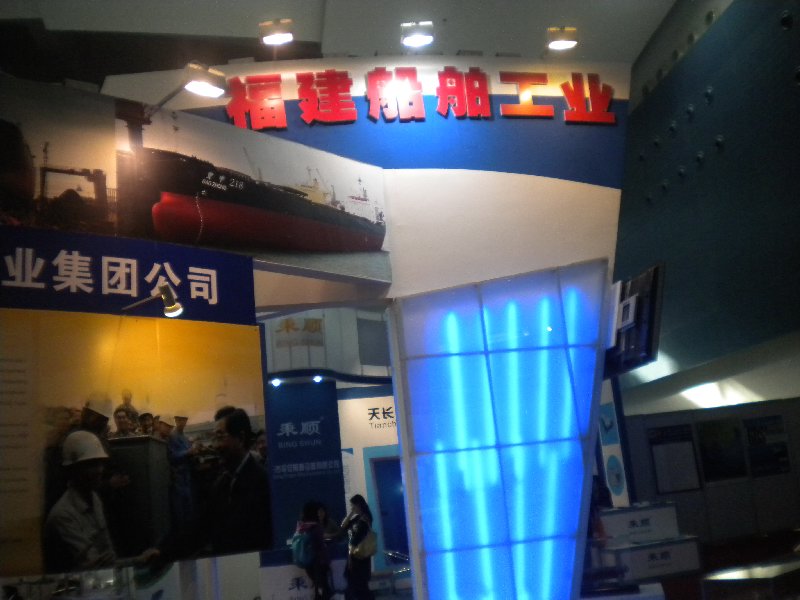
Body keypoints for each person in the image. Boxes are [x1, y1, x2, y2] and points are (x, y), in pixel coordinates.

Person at [139, 406, 272, 566]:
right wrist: (162, 551)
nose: (215, 445)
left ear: (241, 438)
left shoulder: (261, 481)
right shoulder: (223, 482)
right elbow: (200, 525)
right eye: (214, 438)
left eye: (220, 437)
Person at [43, 430, 116, 572]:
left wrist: (137, 561)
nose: (99, 470)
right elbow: (94, 565)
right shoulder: (63, 516)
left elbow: (108, 559)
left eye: (100, 463)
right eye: (91, 465)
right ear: (73, 470)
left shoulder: (94, 499)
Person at [296, 501, 332, 600]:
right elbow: (320, 546)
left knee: (319, 588)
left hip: (309, 562)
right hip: (319, 562)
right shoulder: (316, 527)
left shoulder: (302, 528)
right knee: (322, 588)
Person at [341, 494, 375, 600]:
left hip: (360, 554)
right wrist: (351, 514)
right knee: (356, 583)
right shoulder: (357, 518)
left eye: (353, 505)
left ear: (358, 505)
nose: (352, 508)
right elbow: (343, 527)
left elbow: (356, 538)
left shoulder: (365, 518)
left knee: (358, 583)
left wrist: (350, 556)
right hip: (356, 554)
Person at [167, 413, 197, 527]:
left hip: (186, 475)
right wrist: (188, 452)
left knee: (188, 505)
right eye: (179, 419)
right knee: (179, 508)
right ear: (175, 420)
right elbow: (171, 456)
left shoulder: (184, 437)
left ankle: (188, 530)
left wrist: (194, 451)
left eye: (184, 420)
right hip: (177, 476)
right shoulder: (172, 436)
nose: (182, 422)